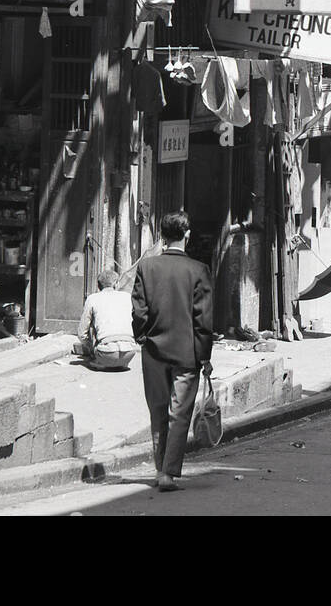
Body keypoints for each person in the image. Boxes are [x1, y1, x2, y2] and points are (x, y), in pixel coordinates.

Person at [131, 210, 213, 492]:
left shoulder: (147, 267)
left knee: (157, 411)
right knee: (179, 414)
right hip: (187, 354)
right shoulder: (199, 270)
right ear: (187, 235)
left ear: (162, 236)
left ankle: (159, 469)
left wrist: (142, 336)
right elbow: (203, 320)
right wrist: (205, 356)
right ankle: (168, 473)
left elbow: (139, 311)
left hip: (153, 351)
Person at [75, 269, 138, 371]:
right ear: (116, 283)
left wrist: (90, 347)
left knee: (92, 322)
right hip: (129, 353)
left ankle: (101, 360)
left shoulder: (92, 298)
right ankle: (118, 362)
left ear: (98, 286)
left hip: (105, 353)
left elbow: (82, 334)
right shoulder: (127, 297)